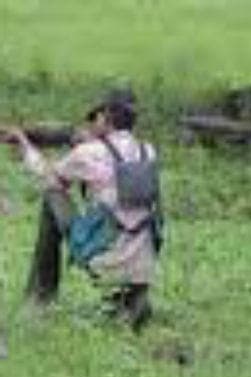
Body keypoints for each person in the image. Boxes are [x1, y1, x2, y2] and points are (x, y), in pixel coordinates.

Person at [9, 90, 163, 331]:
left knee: (52, 196)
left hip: (107, 260)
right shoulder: (149, 151)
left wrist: (24, 144)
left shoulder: (89, 153)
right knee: (130, 223)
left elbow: (48, 175)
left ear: (105, 117)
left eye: (95, 118)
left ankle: (40, 295)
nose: (91, 123)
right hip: (144, 266)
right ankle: (132, 299)